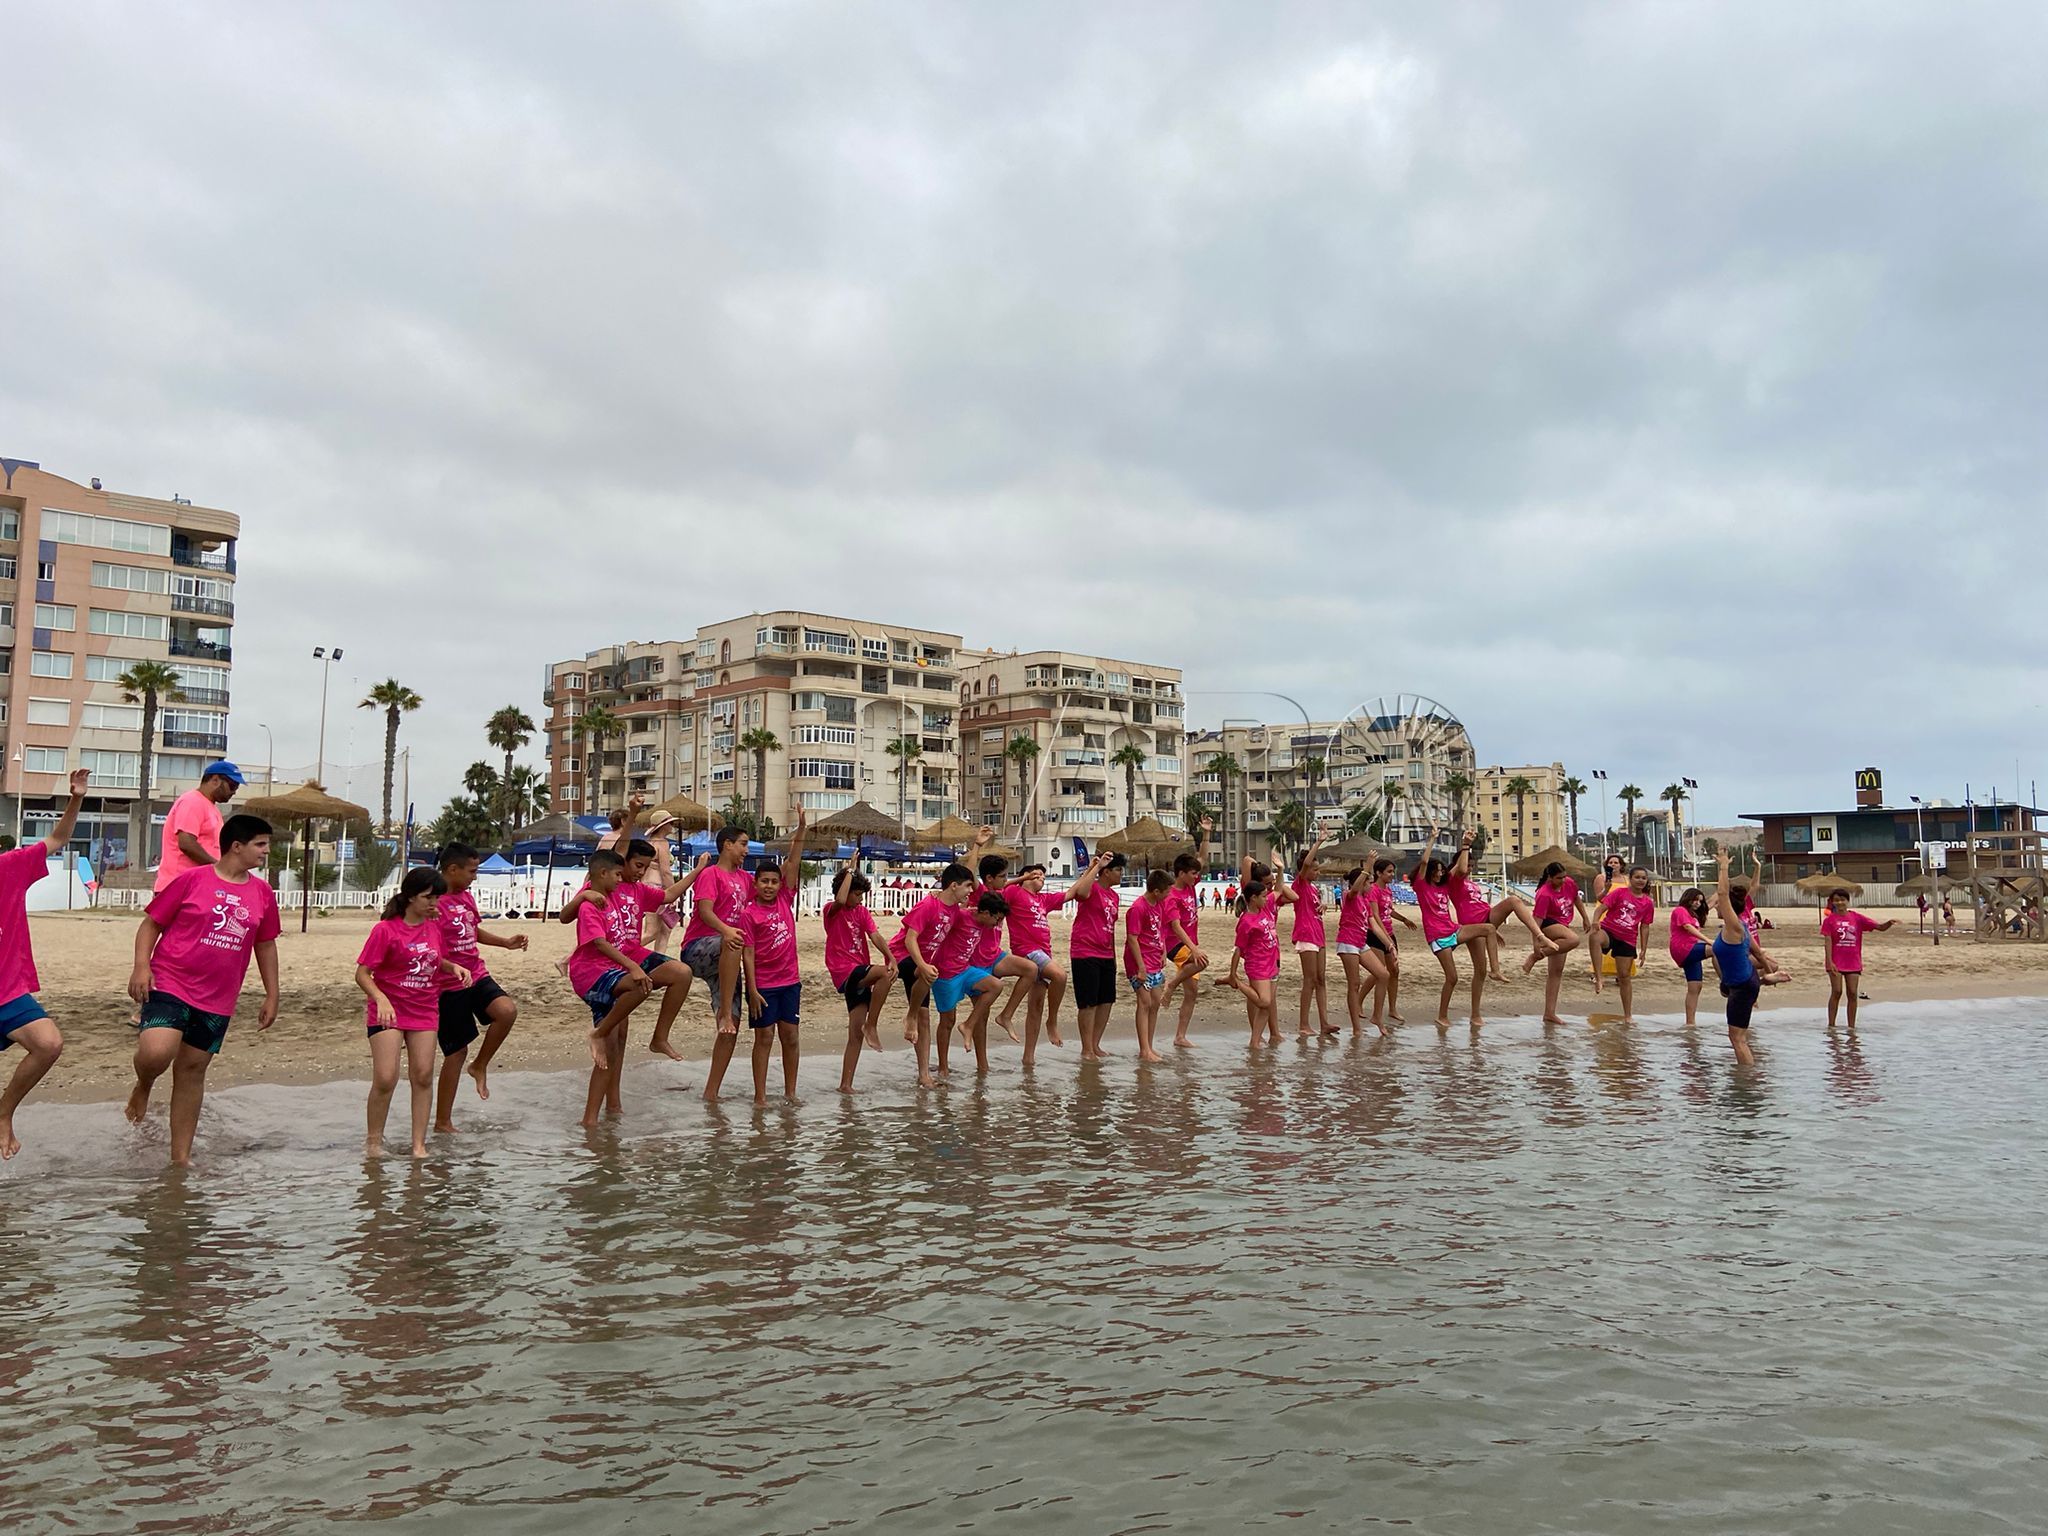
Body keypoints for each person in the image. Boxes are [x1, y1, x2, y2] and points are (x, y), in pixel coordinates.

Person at [124, 812, 281, 1165]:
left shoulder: (262, 893)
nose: (266, 851)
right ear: (236, 846)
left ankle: (180, 1159)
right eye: (260, 844)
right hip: (170, 981)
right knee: (156, 1052)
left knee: (192, 1071)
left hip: (218, 997)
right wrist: (141, 965)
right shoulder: (192, 880)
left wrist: (273, 993)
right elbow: (151, 924)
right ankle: (144, 1085)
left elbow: (266, 944)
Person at [0, 770, 88, 1159]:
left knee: (49, 1043)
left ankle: (3, 1115)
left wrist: (76, 798)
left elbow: (58, 839)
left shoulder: (10, 867)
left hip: (7, 992)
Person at [356, 868, 472, 1158]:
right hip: (389, 1011)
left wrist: (452, 967)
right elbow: (363, 973)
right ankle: (373, 1143)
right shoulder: (385, 930)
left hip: (424, 1009)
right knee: (386, 1077)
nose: (435, 904)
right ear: (410, 897)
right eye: (428, 898)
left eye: (437, 898)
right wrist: (380, 998)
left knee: (422, 1075)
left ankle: (418, 1145)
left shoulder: (433, 927)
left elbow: (435, 956)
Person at [1410, 825, 1554, 1030]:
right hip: (1445, 933)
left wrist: (1495, 931)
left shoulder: (1450, 886)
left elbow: (1462, 878)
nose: (1439, 874)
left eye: (1441, 871)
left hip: (1461, 928)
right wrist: (1454, 842)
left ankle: (1504, 964)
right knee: (1458, 976)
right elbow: (1435, 865)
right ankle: (1448, 1015)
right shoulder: (1433, 885)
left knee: (1499, 917)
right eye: (1436, 871)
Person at [431, 842, 529, 1131]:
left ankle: (481, 1065)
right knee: (456, 1052)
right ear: (452, 869)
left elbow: (473, 930)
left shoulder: (465, 898)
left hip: (476, 973)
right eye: (472, 871)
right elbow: (427, 947)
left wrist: (505, 942)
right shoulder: (433, 903)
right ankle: (443, 1121)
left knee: (506, 1011)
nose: (475, 877)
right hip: (448, 985)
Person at [563, 850, 655, 1125]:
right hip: (592, 975)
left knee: (611, 1048)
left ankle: (592, 1120)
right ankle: (598, 1034)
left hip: (610, 973)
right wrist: (634, 966)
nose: (622, 878)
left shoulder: (609, 896)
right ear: (603, 874)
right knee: (638, 988)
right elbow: (598, 942)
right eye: (617, 874)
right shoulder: (592, 900)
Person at [736, 811, 810, 1104]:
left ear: (781, 886)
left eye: (773, 881)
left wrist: (801, 828)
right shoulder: (749, 914)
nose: (769, 886)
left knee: (790, 1037)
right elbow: (748, 954)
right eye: (764, 881)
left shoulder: (784, 900)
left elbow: (793, 862)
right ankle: (761, 1097)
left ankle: (790, 1093)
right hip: (763, 985)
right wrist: (752, 990)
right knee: (764, 1038)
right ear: (756, 884)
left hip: (790, 982)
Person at [887, 862, 974, 1087]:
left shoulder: (954, 909)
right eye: (967, 887)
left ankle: (924, 1073)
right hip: (900, 954)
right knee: (927, 973)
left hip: (921, 963)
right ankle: (911, 1016)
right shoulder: (928, 905)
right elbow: (909, 939)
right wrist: (923, 965)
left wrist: (976, 847)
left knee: (926, 1015)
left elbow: (965, 871)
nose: (970, 891)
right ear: (954, 886)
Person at [1708, 850, 1787, 1065]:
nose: (1716, 906)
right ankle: (1746, 1078)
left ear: (1728, 908)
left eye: (1718, 905)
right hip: (1745, 982)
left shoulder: (1734, 926)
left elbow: (1723, 894)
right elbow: (1759, 953)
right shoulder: (1740, 927)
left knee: (1738, 1039)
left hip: (1743, 986)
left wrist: (1723, 866)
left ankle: (1747, 1083)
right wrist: (1771, 975)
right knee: (1738, 1037)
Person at [824, 865, 894, 1092]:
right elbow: (841, 898)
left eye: (862, 895)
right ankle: (872, 1025)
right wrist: (850, 872)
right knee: (883, 973)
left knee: (855, 1033)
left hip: (860, 971)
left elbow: (875, 935)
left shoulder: (861, 912)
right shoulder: (831, 910)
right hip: (844, 970)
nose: (860, 899)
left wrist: (890, 956)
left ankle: (845, 1085)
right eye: (857, 894)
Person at [993, 863, 1070, 1063]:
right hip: (1028, 951)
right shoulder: (1015, 892)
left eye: (1044, 877)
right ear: (1025, 876)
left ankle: (1029, 1058)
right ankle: (1052, 1022)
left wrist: (1093, 869)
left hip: (1045, 952)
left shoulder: (1043, 899)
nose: (1042, 879)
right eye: (1037, 875)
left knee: (1036, 1006)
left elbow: (1073, 892)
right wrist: (1021, 879)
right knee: (1060, 976)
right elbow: (997, 891)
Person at [1224, 850, 1291, 1046]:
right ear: (1253, 898)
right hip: (1257, 964)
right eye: (1263, 895)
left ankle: (1255, 1041)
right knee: (1264, 1002)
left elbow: (1278, 890)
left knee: (1265, 1004)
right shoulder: (1246, 921)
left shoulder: (1267, 904)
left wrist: (1280, 869)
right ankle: (1236, 983)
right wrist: (1233, 973)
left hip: (1272, 961)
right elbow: (1238, 949)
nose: (1268, 896)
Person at [1158, 815, 1214, 1046]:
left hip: (1189, 942)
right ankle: (1171, 985)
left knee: (1192, 992)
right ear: (1181, 873)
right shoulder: (1172, 894)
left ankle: (1180, 1036)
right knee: (1202, 961)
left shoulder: (1191, 885)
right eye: (1192, 873)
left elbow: (1201, 858)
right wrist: (1194, 948)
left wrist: (1207, 833)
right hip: (1174, 944)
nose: (1196, 876)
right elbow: (1175, 926)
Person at [1067, 849, 1126, 1061]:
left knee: (1106, 1000)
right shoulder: (1092, 887)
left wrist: (1113, 956)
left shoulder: (1114, 896)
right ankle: (1086, 1048)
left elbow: (1111, 926)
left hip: (1106, 954)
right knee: (1088, 1002)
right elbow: (1080, 893)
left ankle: (1095, 1044)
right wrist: (1096, 867)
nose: (1121, 874)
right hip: (1085, 951)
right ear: (1107, 872)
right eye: (1118, 870)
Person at [153, 760, 243, 894]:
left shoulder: (211, 808)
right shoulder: (192, 802)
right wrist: (218, 868)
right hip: (179, 886)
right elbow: (186, 843)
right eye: (232, 785)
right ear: (215, 780)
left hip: (195, 886)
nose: (234, 791)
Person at [1525, 861, 1593, 1025]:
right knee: (1573, 939)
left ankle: (1549, 1013)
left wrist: (1584, 917)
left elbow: (1576, 898)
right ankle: (1537, 956)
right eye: (1558, 878)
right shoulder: (1544, 894)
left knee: (1556, 972)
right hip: (1548, 925)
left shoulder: (1569, 882)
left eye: (1564, 876)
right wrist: (1536, 945)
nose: (1563, 880)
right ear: (1550, 877)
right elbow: (1536, 921)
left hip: (1563, 925)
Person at [1332, 860, 1393, 1038]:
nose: (1371, 885)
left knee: (1383, 974)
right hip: (1347, 942)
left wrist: (1389, 944)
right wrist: (1366, 870)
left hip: (1360, 943)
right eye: (1368, 882)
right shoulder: (1348, 895)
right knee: (1354, 984)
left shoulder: (1365, 901)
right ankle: (1357, 1028)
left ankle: (1377, 1017)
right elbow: (1354, 890)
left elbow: (1373, 925)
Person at [1821, 891, 1894, 1030]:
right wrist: (1830, 961)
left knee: (1853, 993)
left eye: (1842, 900)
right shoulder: (1829, 920)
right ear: (1833, 902)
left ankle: (1851, 1027)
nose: (1840, 903)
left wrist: (1889, 923)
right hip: (1835, 961)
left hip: (1853, 962)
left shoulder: (1856, 917)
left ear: (1847, 901)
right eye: (1836, 900)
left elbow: (1879, 927)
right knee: (1837, 991)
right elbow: (1828, 941)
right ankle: (1831, 1026)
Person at [1598, 866, 1658, 1025]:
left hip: (1628, 938)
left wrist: (1644, 949)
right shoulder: (1619, 893)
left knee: (1624, 976)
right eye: (1637, 877)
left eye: (1643, 878)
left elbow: (1645, 927)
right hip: (1609, 930)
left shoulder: (1647, 902)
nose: (1640, 880)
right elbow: (1601, 908)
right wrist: (1593, 923)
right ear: (1630, 878)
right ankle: (1598, 976)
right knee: (1595, 938)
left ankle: (1628, 1015)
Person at [1124, 869, 1172, 1063]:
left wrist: (1164, 950)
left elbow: (1160, 930)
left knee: (1154, 1004)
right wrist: (1141, 967)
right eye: (1166, 891)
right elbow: (1132, 939)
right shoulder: (1138, 908)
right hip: (1139, 963)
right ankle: (1144, 1049)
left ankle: (1149, 1046)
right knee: (1144, 1004)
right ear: (1156, 891)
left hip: (1155, 960)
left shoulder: (1158, 906)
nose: (1169, 894)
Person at [1290, 840, 1334, 1038]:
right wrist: (1319, 841)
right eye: (1314, 870)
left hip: (1319, 934)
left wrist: (1323, 906)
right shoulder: (1298, 884)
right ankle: (1303, 1023)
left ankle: (1324, 1022)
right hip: (1306, 933)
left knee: (1321, 979)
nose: (1317, 873)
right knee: (1309, 980)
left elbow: (1315, 906)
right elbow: (1306, 863)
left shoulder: (1314, 889)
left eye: (1318, 870)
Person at [1365, 856, 1415, 1030]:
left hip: (1389, 934)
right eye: (1389, 872)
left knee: (1394, 971)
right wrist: (1384, 935)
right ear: (1378, 873)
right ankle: (1358, 1000)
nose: (1392, 875)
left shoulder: (1387, 891)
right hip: (1376, 935)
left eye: (1393, 871)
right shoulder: (1373, 890)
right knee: (1378, 971)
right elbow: (1375, 915)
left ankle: (1392, 1008)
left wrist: (1404, 919)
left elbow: (1389, 910)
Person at [1667, 887, 1713, 1030]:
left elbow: (1714, 901)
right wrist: (1708, 940)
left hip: (1692, 949)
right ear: (1688, 898)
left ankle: (1690, 1023)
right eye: (1695, 899)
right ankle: (1726, 980)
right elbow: (1687, 927)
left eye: (1700, 901)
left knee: (1695, 987)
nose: (1697, 903)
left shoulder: (1694, 915)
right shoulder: (1680, 910)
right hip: (1682, 948)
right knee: (1718, 949)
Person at [1588, 852, 1626, 994]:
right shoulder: (1601, 878)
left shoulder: (1626, 879)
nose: (1613, 865)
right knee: (1600, 943)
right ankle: (1597, 974)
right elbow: (1599, 897)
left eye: (1616, 862)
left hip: (1622, 915)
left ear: (1621, 865)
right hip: (1605, 912)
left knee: (1621, 944)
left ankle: (1619, 973)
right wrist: (1607, 889)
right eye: (1611, 863)